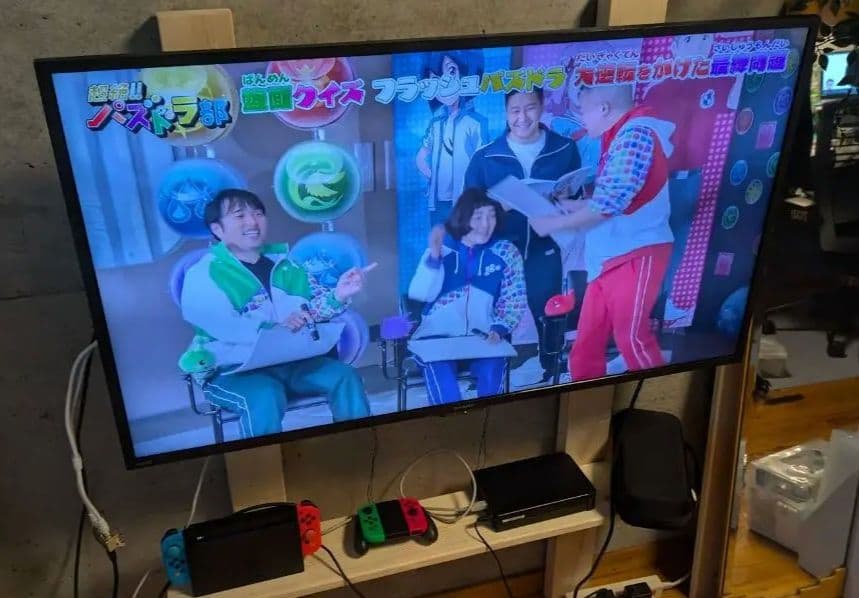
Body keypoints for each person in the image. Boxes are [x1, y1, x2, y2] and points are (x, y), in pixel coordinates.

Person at [179, 189, 372, 439]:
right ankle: (262, 462)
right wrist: (278, 327)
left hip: (293, 361)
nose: (252, 222)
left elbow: (314, 310)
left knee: (344, 376)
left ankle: (360, 448)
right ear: (217, 229)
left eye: (258, 214)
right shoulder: (203, 273)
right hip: (232, 370)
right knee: (265, 395)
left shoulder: (288, 265)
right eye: (240, 215)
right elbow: (224, 326)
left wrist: (339, 294)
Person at [530, 84, 675, 381]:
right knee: (586, 346)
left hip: (635, 253)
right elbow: (612, 198)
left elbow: (610, 203)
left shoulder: (635, 135)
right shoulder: (619, 137)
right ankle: (581, 396)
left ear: (604, 109)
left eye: (583, 111)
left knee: (631, 338)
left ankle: (660, 394)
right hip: (609, 258)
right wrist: (569, 206)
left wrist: (553, 224)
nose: (582, 119)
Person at [464, 87, 581, 385]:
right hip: (500, 248)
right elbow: (468, 208)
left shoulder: (564, 149)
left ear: (541, 107)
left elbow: (576, 195)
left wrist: (565, 197)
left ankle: (552, 370)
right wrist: (499, 206)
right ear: (505, 113)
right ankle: (490, 374)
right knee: (494, 312)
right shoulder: (486, 156)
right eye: (515, 111)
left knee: (549, 308)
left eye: (529, 108)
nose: (522, 117)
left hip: (545, 245)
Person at [408, 188, 526, 405]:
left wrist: (499, 328)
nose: (485, 224)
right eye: (478, 217)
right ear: (463, 217)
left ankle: (489, 420)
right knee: (443, 381)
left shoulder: (506, 252)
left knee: (493, 369)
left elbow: (514, 299)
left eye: (491, 216)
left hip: (483, 338)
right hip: (437, 338)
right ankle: (451, 423)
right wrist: (434, 257)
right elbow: (420, 293)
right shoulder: (442, 247)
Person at [416, 50, 488, 224]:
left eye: (451, 71)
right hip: (437, 202)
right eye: (435, 78)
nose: (444, 83)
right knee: (438, 239)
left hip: (465, 202)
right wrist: (433, 177)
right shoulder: (435, 124)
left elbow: (483, 165)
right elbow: (421, 157)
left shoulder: (476, 123)